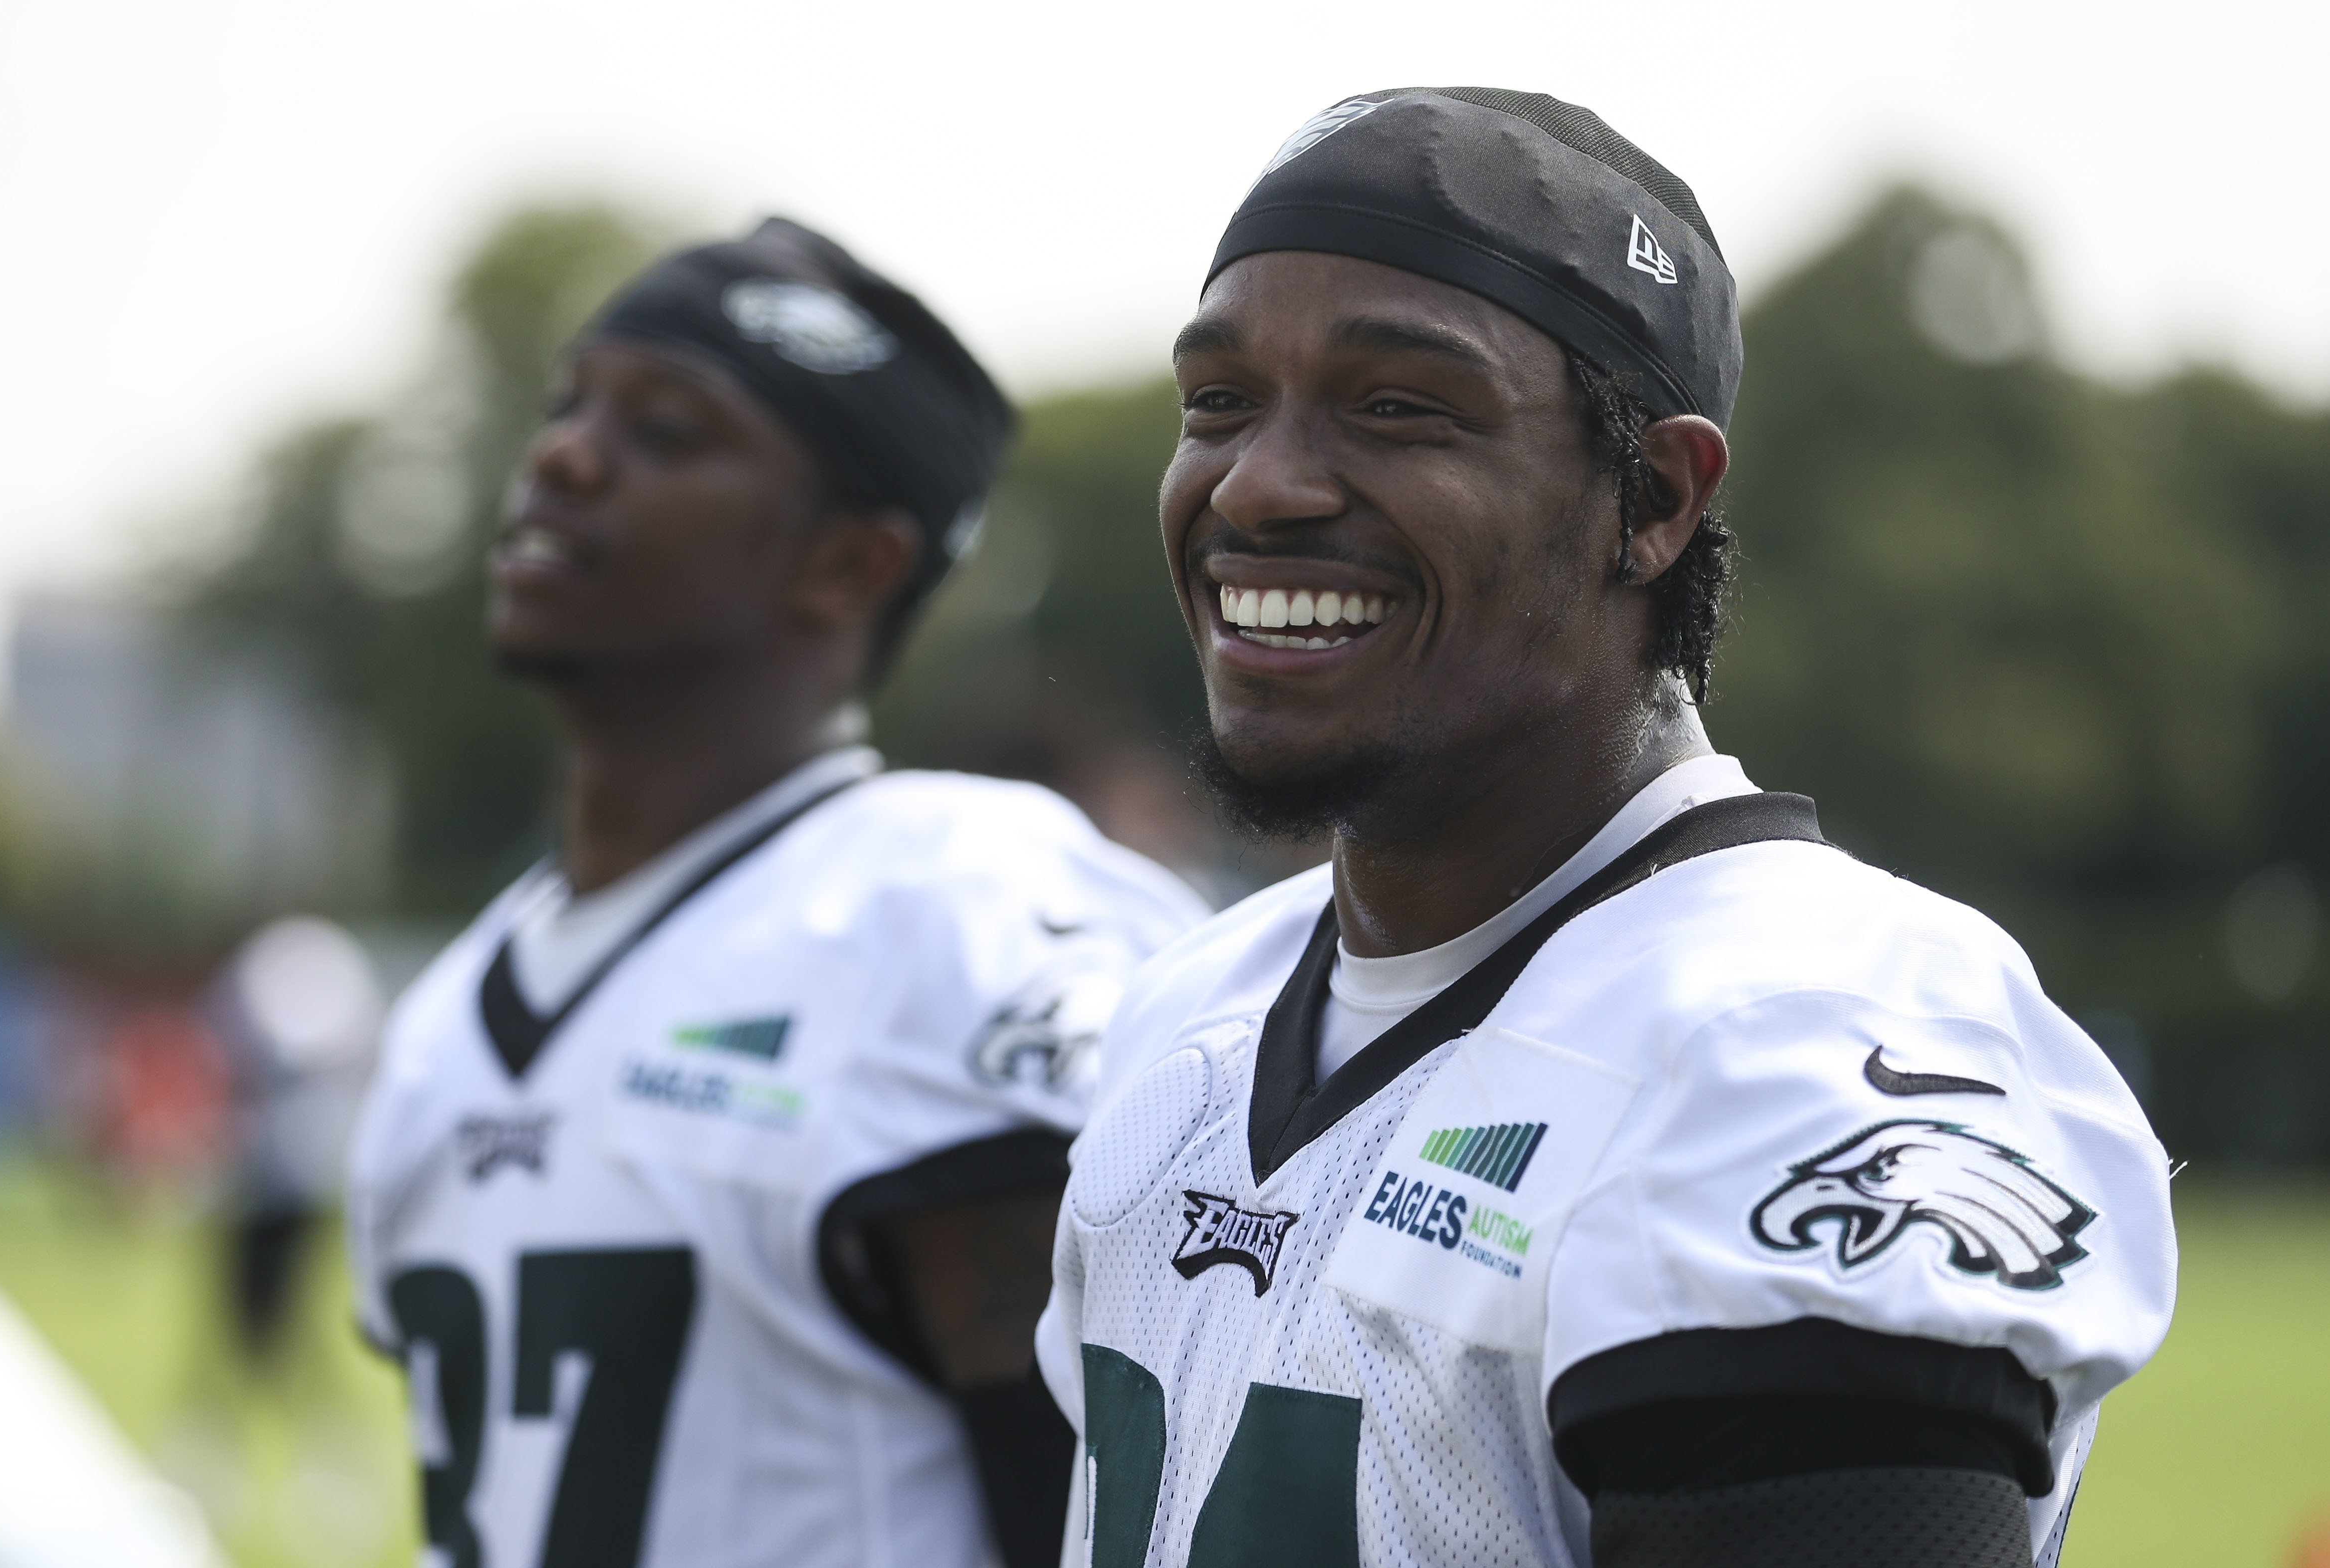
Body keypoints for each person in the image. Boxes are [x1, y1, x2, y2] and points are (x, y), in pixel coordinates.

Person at [1036, 89, 2175, 1568]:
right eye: (1220, 402)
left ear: (1653, 499)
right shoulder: (1191, 1012)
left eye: (1398, 406)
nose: (1259, 483)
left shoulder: (1790, 1045)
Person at [346, 216, 1206, 1568]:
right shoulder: (447, 1008)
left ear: (850, 562)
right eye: (568, 405)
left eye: (668, 431)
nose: (563, 455)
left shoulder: (948, 913)